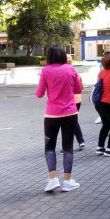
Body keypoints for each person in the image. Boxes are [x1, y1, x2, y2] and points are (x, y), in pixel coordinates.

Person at [36, 46, 83, 192]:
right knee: (68, 148)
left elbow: (39, 93)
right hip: (70, 113)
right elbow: (78, 89)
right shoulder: (71, 69)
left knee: (49, 148)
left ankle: (52, 179)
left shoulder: (45, 70)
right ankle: (67, 181)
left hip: (52, 114)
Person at [68, 57, 85, 150]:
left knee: (69, 122)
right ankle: (80, 141)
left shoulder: (65, 72)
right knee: (73, 121)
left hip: (69, 100)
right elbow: (80, 87)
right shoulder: (75, 72)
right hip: (77, 99)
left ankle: (68, 145)